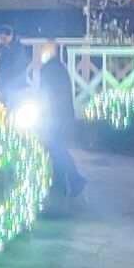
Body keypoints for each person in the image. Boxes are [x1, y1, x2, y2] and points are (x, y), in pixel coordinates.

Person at [38, 40, 86, 198]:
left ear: (52, 51)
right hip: (59, 116)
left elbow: (50, 93)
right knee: (56, 149)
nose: (41, 52)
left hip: (54, 117)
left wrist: (45, 113)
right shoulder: (58, 68)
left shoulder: (50, 69)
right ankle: (69, 182)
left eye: (44, 49)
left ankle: (67, 183)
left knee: (55, 150)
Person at [0, 24, 30, 106]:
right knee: (0, 106)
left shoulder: (18, 48)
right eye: (1, 39)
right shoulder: (0, 48)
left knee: (15, 106)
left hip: (15, 84)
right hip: (3, 84)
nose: (2, 41)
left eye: (4, 38)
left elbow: (21, 65)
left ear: (11, 35)